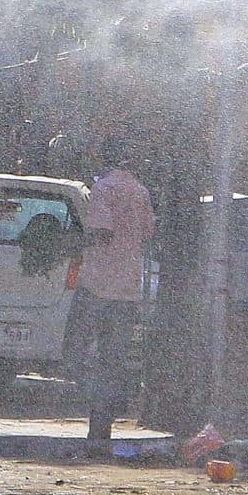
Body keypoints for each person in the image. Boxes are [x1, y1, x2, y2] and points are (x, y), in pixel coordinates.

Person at [72, 146, 156, 447]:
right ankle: (101, 424)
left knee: (75, 350)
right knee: (113, 358)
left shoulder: (104, 188)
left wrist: (71, 241)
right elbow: (147, 232)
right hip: (127, 290)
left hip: (97, 286)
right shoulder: (141, 192)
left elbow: (101, 232)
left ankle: (95, 403)